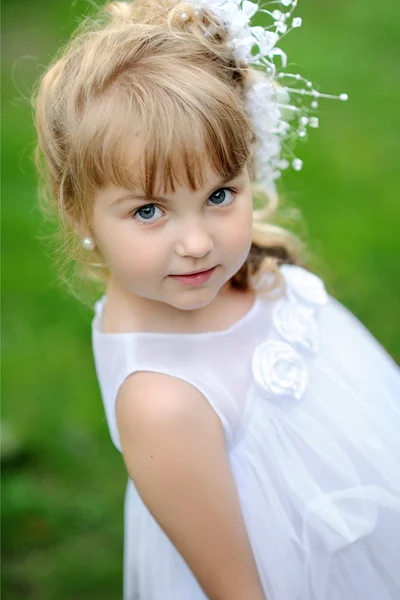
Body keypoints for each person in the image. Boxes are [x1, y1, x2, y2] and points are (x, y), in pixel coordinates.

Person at [32, 0, 400, 598]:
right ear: (80, 211)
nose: (199, 243)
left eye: (221, 194)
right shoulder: (161, 402)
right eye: (149, 210)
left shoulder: (248, 273)